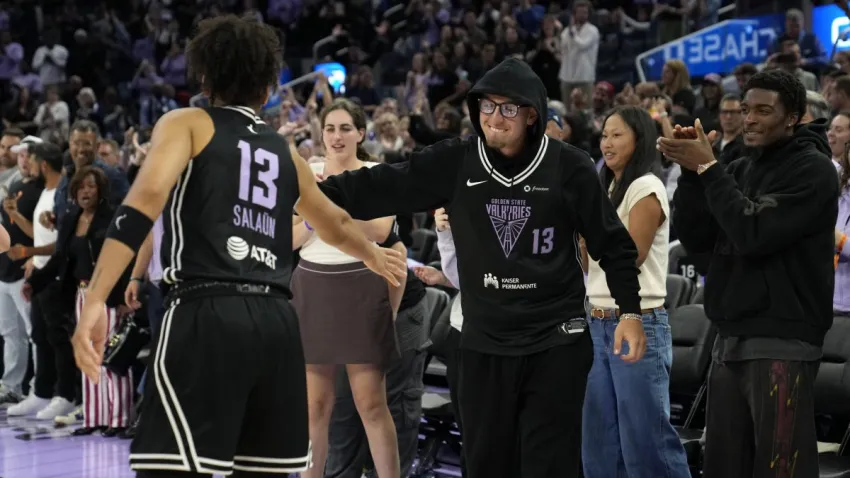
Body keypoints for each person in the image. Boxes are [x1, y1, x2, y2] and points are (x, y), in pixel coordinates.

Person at [69, 15, 406, 478]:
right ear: (268, 85)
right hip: (277, 326)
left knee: (172, 469)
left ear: (205, 76)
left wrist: (95, 301)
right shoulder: (284, 151)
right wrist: (375, 255)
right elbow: (337, 224)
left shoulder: (187, 122)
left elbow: (143, 202)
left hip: (206, 314)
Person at [318, 57, 644, 478]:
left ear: (532, 115)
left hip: (555, 342)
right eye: (486, 106)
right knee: (485, 465)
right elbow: (384, 185)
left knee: (549, 466)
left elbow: (613, 245)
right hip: (482, 343)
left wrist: (630, 312)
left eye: (508, 108)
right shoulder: (456, 161)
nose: (494, 117)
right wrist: (310, 191)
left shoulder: (570, 166)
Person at [659, 68, 838, 478]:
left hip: (783, 341)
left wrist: (709, 169)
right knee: (723, 466)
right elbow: (697, 236)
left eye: (763, 110)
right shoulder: (739, 168)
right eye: (745, 109)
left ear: (793, 116)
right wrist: (691, 173)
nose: (750, 118)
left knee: (780, 469)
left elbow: (753, 232)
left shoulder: (814, 171)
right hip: (730, 337)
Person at [290, 99, 402, 478]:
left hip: (362, 283)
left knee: (370, 402)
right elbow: (288, 239)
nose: (336, 136)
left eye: (344, 128)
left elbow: (381, 231)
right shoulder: (306, 172)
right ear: (321, 134)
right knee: (314, 406)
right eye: (330, 129)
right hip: (312, 285)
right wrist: (312, 219)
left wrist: (327, 206)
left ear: (360, 133)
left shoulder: (376, 172)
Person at [580, 106, 690, 477]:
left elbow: (631, 255)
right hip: (596, 321)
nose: (606, 143)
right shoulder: (604, 186)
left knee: (647, 444)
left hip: (638, 320)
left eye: (616, 135)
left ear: (639, 139)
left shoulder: (647, 186)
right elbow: (586, 263)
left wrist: (585, 230)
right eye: (604, 135)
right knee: (599, 443)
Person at [27, 167, 134, 435]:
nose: (86, 191)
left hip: (108, 293)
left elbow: (125, 259)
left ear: (101, 190)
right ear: (74, 192)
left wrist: (122, 298)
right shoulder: (71, 217)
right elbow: (61, 257)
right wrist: (35, 282)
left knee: (110, 357)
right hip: (81, 295)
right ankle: (94, 417)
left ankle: (118, 418)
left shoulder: (112, 217)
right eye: (81, 187)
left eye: (92, 186)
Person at [7, 143, 77, 420]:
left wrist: (30, 253)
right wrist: (14, 215)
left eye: (32, 161)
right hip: (40, 273)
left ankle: (66, 395)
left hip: (56, 275)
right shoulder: (48, 193)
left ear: (43, 165)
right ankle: (42, 393)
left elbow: (62, 241)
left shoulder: (62, 193)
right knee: (40, 335)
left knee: (58, 337)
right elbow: (40, 235)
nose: (29, 166)